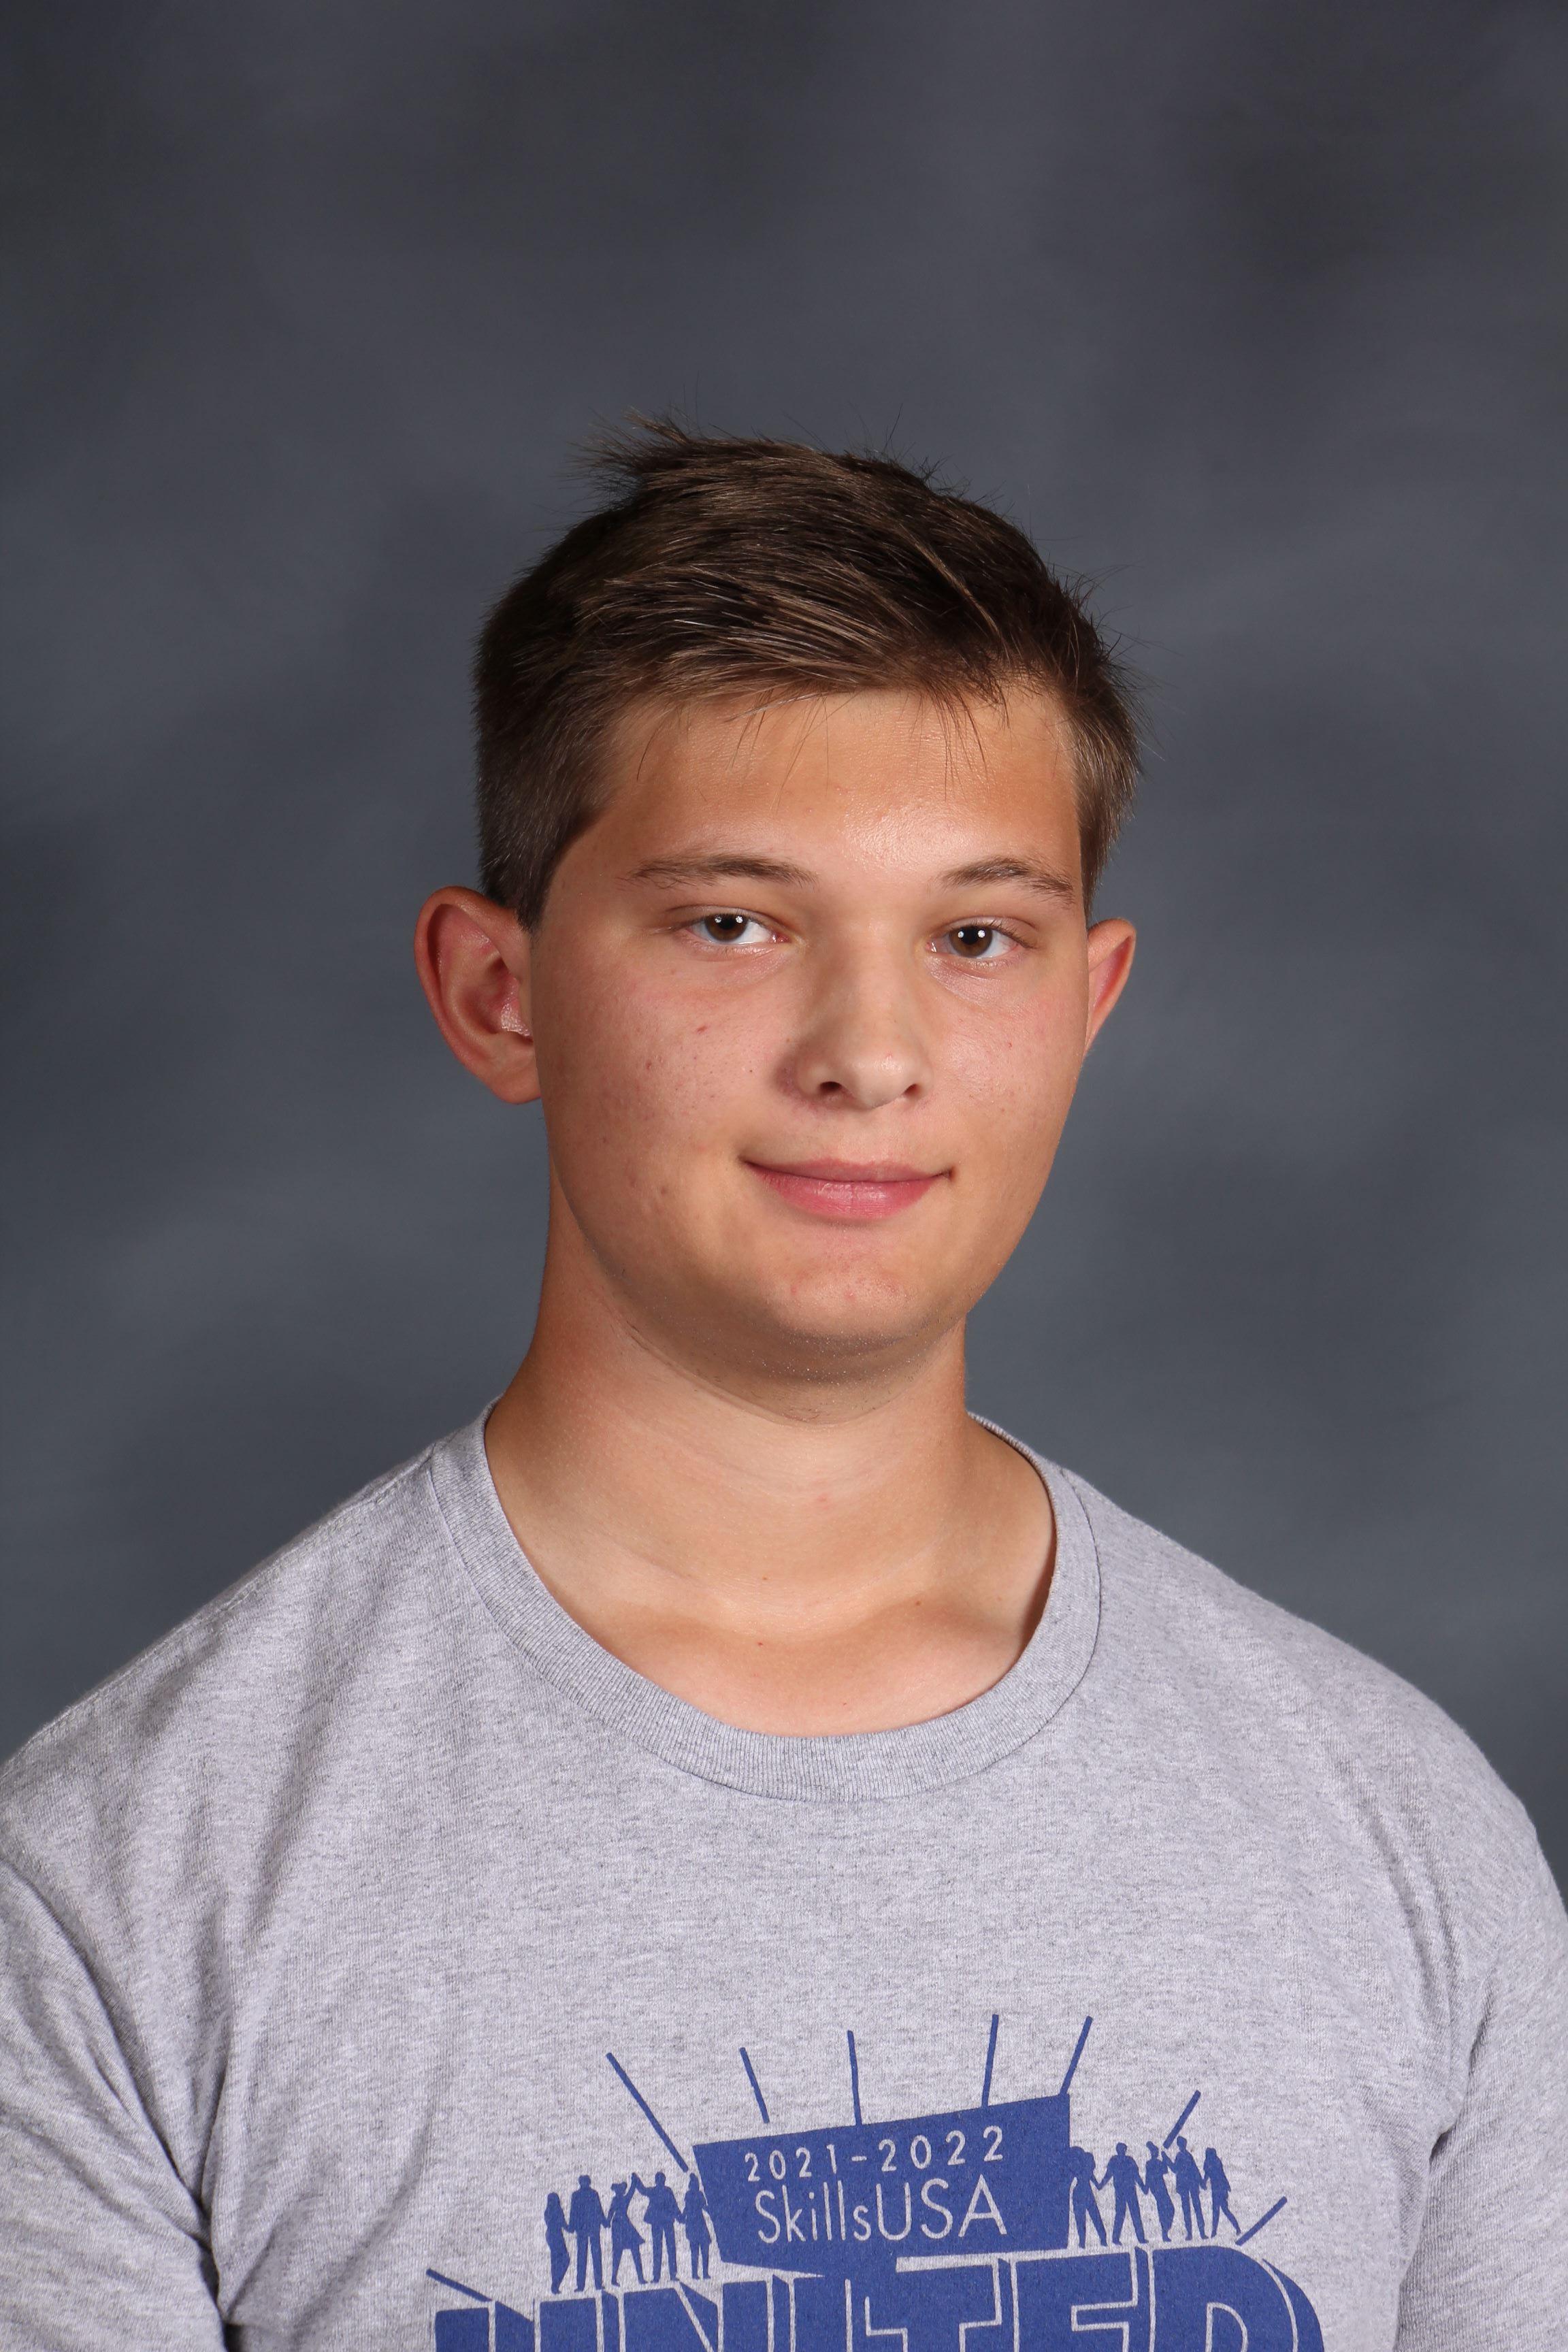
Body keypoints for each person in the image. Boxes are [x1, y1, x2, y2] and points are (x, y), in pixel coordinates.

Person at [1, 424, 1565, 2350]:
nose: (868, 1050)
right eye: (732, 921)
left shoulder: (1397, 1830)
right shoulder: (119, 1890)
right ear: (499, 993)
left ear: (1087, 1004)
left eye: (975, 937)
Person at [1096, 2142, 1147, 2246]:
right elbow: (1108, 2175)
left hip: (1130, 2190)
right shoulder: (1115, 2160)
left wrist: (1143, 2187)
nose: (1123, 2151)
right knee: (1121, 2214)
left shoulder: (1129, 2160)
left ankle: (1141, 2238)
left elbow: (1136, 2176)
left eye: (1124, 2150)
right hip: (1121, 2192)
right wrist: (1101, 2185)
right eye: (1122, 2150)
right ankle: (1116, 2238)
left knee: (1134, 2214)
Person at [567, 2174, 607, 2293]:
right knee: (582, 2257)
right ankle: (580, 2285)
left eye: (586, 2182)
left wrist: (604, 2222)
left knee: (596, 2256)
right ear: (580, 2183)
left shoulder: (594, 2194)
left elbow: (599, 2210)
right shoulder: (576, 2195)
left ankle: (598, 2284)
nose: (585, 2184)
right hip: (582, 2229)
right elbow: (573, 2212)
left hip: (593, 2228)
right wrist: (572, 2226)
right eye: (583, 2182)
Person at [1065, 2145, 1107, 2248]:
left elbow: (1098, 2185)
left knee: (1088, 2218)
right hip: (1084, 2194)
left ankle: (1092, 2241)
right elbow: (1098, 2185)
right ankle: (1091, 2242)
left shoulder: (1082, 2170)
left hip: (1083, 2194)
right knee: (1086, 2219)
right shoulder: (1082, 2169)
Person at [1171, 2138, 1207, 2242]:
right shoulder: (1185, 2155)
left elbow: (1176, 2169)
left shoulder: (1182, 2156)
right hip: (1188, 2186)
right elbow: (1195, 2170)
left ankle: (1198, 2233)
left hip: (1188, 2186)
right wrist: (1201, 2183)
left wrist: (1167, 2161)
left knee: (1192, 2209)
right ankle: (1195, 2234)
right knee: (1192, 2209)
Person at [1203, 2145, 1240, 2238]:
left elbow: (1217, 2175)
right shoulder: (1214, 2162)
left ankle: (1236, 2228)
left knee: (1222, 2211)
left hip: (1219, 2190)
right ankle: (1214, 2232)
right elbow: (1210, 2175)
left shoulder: (1213, 2163)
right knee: (1218, 2211)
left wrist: (1203, 2183)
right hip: (1218, 2190)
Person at [1141, 2143, 1176, 2243]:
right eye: (1156, 2152)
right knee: (1167, 2209)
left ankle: (1165, 2232)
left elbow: (1165, 2171)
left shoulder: (1154, 2162)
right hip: (1158, 2188)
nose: (1157, 2153)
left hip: (1160, 2188)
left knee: (1168, 2209)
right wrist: (1164, 2159)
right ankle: (1165, 2233)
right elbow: (1162, 2171)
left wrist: (1164, 2160)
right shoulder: (1151, 2163)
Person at [680, 2175, 712, 2279]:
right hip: (697, 2224)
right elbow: (703, 2207)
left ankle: (700, 2273)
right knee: (700, 2249)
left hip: (694, 2224)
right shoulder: (695, 2194)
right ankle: (700, 2274)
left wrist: (682, 2217)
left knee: (698, 2250)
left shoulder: (692, 2194)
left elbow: (688, 2208)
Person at [543, 2190, 572, 2296]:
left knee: (555, 2261)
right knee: (565, 2259)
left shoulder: (547, 2211)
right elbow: (564, 2224)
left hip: (550, 2236)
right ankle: (555, 2284)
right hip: (557, 2236)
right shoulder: (557, 2210)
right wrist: (572, 2228)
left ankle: (555, 2285)